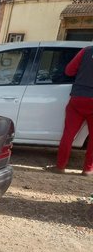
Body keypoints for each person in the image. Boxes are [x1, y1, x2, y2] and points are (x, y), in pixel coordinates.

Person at [55, 46, 93, 176]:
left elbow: (69, 71)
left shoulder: (86, 51)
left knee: (68, 134)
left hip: (79, 97)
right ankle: (88, 169)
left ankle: (60, 167)